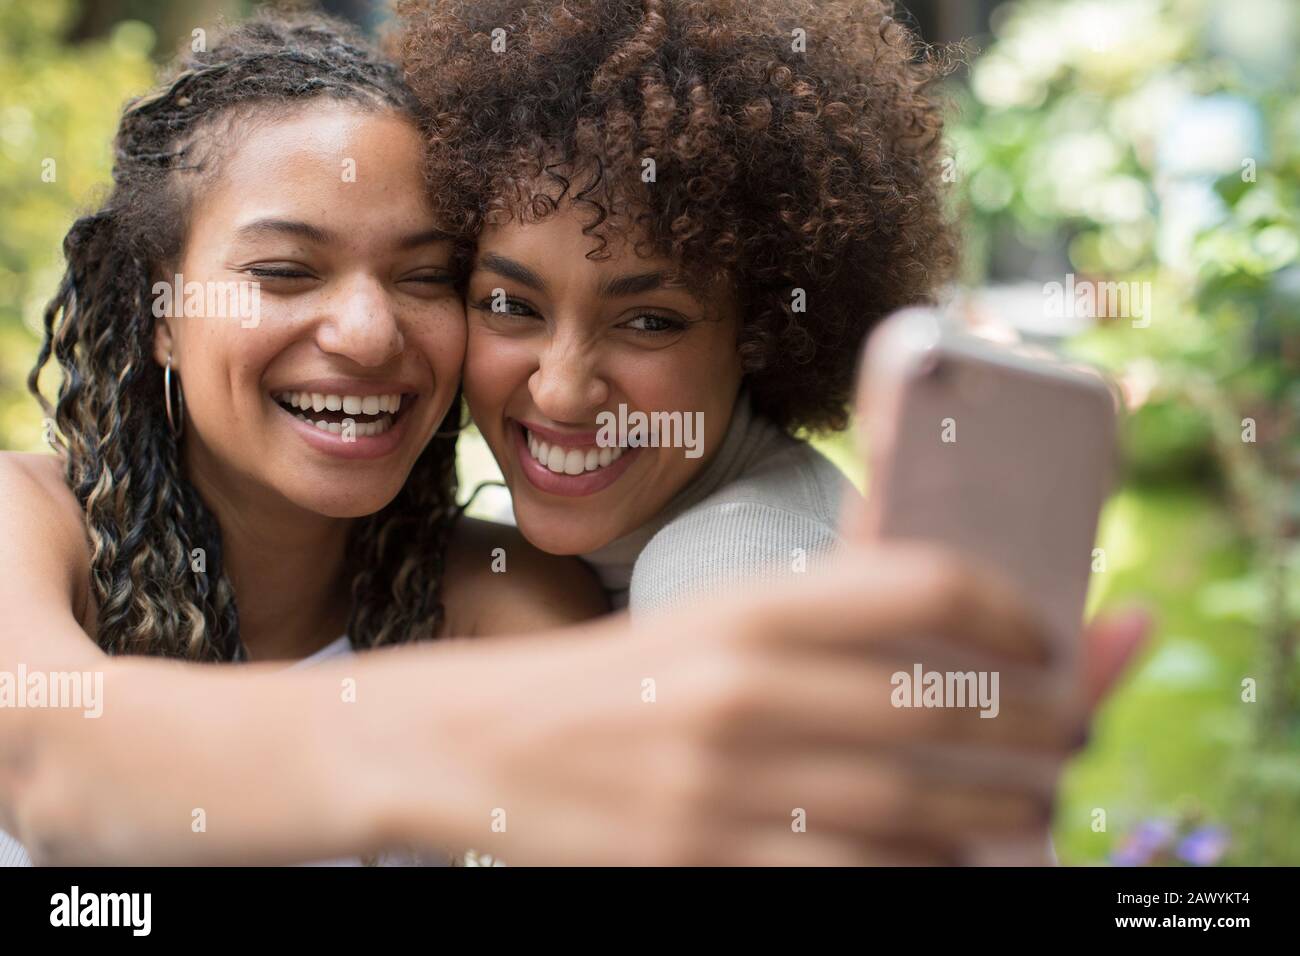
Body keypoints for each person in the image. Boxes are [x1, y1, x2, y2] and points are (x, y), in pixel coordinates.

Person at [0, 10, 1144, 867]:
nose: (363, 330)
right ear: (160, 306)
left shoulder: (550, 592)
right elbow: (44, 753)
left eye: (426, 277)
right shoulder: (26, 524)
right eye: (286, 269)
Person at [401, 0, 956, 611]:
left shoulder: (726, 563)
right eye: (511, 305)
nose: (560, 392)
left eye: (648, 322)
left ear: (762, 331)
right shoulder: (621, 532)